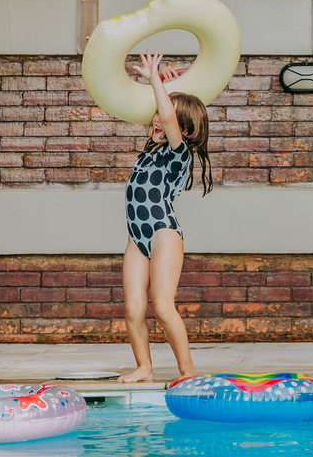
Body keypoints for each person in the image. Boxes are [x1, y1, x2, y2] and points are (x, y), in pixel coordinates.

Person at [118, 50, 213, 383]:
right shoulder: (151, 147)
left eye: (166, 115)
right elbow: (159, 115)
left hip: (162, 234)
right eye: (157, 113)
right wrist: (160, 83)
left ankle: (188, 372)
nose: (159, 119)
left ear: (184, 131)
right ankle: (144, 366)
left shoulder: (178, 153)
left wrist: (155, 78)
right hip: (137, 236)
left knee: (161, 305)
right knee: (132, 308)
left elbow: (169, 119)